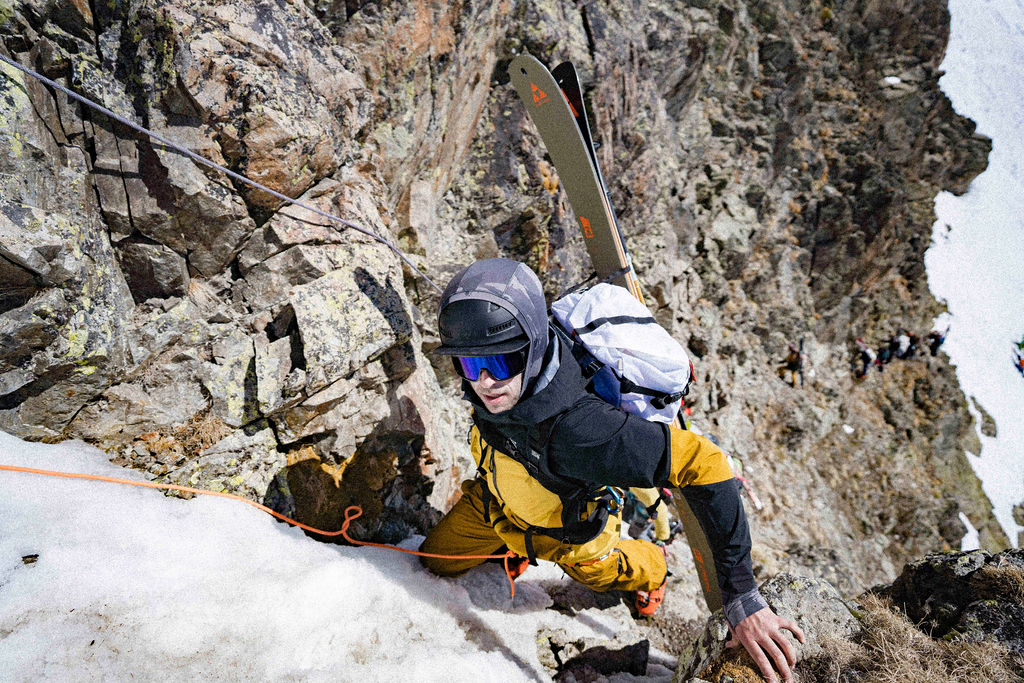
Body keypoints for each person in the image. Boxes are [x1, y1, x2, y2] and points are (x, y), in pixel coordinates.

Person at [420, 259, 804, 682]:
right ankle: (510, 546)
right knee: (432, 563)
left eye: (503, 361)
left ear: (532, 345)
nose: (486, 382)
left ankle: (653, 565)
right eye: (470, 365)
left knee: (604, 571)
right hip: (494, 506)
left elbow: (706, 462)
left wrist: (743, 598)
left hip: (568, 536)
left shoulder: (581, 431)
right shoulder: (501, 377)